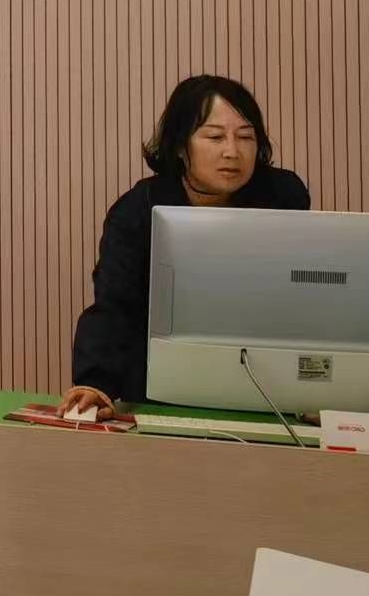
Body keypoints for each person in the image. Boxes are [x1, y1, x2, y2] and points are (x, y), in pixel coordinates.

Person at [57, 74, 309, 419]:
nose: (232, 151)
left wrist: (319, 389)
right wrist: (95, 382)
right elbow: (114, 305)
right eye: (215, 137)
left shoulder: (283, 196)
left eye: (245, 137)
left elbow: (303, 299)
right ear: (179, 145)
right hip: (160, 386)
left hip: (267, 383)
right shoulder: (139, 209)